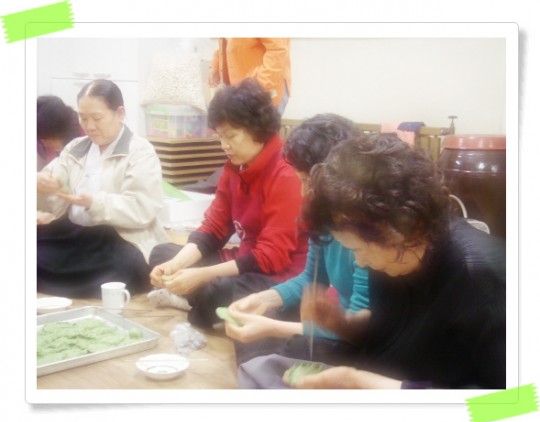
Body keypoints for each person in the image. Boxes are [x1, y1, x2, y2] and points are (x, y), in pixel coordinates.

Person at [239, 133, 506, 389]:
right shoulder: (393, 256)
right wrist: (341, 323)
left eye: (358, 249)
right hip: (381, 381)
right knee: (259, 370)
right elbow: (387, 329)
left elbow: (516, 405)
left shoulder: (484, 279)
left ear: (401, 228)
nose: (361, 262)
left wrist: (359, 382)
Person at [149, 78, 308, 329]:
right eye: (220, 136)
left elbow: (271, 257)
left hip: (279, 274)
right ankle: (199, 302)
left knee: (218, 289)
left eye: (231, 136)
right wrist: (176, 264)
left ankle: (195, 301)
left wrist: (202, 275)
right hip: (245, 260)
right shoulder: (235, 167)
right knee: (162, 255)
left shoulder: (286, 173)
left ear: (257, 130)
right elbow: (214, 228)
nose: (224, 145)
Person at [224, 114, 370, 366]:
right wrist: (263, 299)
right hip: (340, 329)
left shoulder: (366, 237)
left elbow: (358, 329)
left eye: (307, 182)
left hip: (358, 340)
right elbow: (311, 278)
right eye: (300, 180)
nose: (303, 192)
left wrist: (271, 327)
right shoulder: (322, 219)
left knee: (284, 345)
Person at [37, 79, 169, 298]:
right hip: (75, 234)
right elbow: (51, 192)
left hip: (119, 238)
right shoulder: (75, 148)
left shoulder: (140, 151)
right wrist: (40, 185)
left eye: (97, 118)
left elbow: (142, 208)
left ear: (120, 113)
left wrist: (95, 203)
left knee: (123, 270)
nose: (89, 126)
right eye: (83, 118)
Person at [208, 38, 291, 115]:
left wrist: (259, 87)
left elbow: (278, 50)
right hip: (241, 91)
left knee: (258, 126)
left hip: (263, 88)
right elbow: (228, 41)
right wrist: (216, 64)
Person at [37, 95, 82, 171]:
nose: (44, 143)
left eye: (48, 139)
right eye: (41, 138)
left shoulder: (84, 136)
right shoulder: (40, 144)